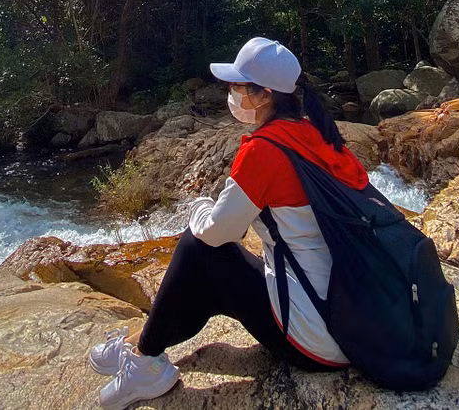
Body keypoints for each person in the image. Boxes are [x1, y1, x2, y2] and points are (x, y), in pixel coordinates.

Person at [87, 37, 368, 409]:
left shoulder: (265, 150)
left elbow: (219, 232)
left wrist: (199, 206)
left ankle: (144, 364)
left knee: (196, 245)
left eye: (237, 85)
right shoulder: (320, 135)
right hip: (351, 316)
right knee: (209, 282)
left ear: (264, 94)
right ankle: (142, 346)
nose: (230, 93)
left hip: (318, 340)